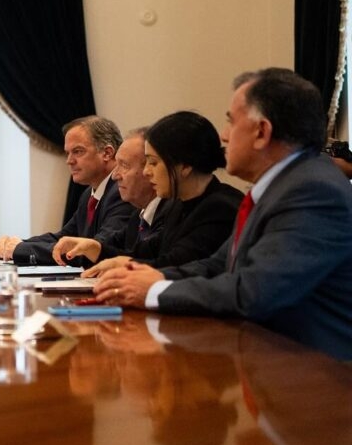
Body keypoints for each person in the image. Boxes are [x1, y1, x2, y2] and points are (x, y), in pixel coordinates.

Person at [93, 68, 352, 361]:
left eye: (231, 121)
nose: (224, 136)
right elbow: (218, 264)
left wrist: (154, 291)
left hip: (318, 381)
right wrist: (151, 277)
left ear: (261, 132)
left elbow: (253, 293)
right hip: (274, 366)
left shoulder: (312, 190)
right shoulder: (283, 184)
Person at [56, 112, 242, 272]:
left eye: (153, 163)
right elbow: (145, 252)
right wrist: (95, 247)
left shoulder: (220, 207)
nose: (147, 172)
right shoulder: (178, 205)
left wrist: (124, 264)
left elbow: (176, 265)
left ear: (184, 166)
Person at [0, 115, 133, 266]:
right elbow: (62, 238)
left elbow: (92, 250)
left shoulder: (122, 192)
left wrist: (20, 249)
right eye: (68, 153)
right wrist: (16, 244)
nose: (69, 161)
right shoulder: (88, 195)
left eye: (78, 151)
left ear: (107, 153)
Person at [53, 128, 166, 265]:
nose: (115, 175)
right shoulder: (137, 217)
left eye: (124, 165)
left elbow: (164, 264)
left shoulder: (171, 215)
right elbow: (110, 250)